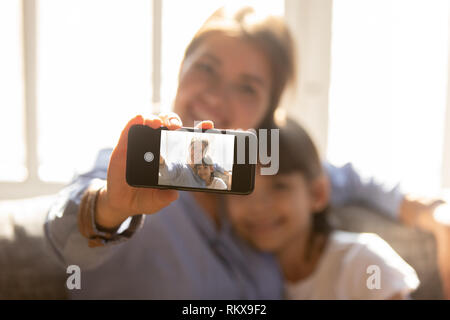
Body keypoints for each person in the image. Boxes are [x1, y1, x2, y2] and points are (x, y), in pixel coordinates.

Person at [44, 6, 448, 299]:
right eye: (206, 68)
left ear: (268, 114)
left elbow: (353, 180)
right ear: (182, 70)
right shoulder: (128, 166)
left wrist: (434, 214)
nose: (217, 95)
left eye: (247, 87)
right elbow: (63, 234)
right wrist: (111, 206)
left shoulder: (261, 175)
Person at [227, 118, 420, 299]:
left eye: (279, 186)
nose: (258, 206)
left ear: (317, 194)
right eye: (243, 188)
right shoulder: (236, 273)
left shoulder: (362, 262)